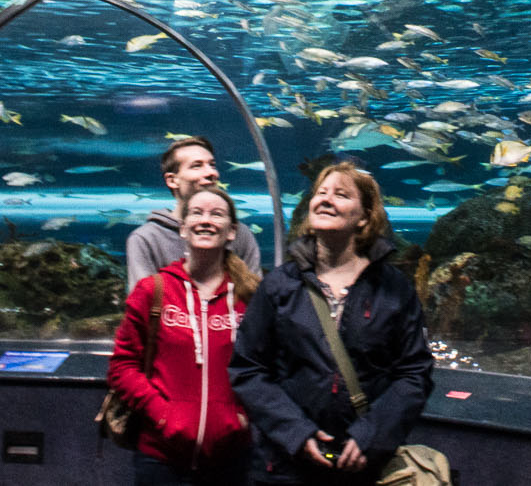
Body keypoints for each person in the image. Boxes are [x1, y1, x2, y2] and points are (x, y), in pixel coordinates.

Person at [230, 162, 434, 483]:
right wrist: (295, 432)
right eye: (320, 193)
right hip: (286, 464)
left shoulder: (393, 289)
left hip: (365, 465)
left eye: (341, 194)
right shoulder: (280, 285)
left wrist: (371, 434)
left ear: (364, 216)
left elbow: (414, 373)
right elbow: (249, 368)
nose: (326, 199)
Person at [107, 184, 260, 485]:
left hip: (231, 458)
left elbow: (267, 368)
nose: (206, 220)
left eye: (217, 214)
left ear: (231, 231)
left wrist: (241, 417)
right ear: (183, 228)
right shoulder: (153, 291)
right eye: (197, 213)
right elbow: (122, 366)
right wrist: (163, 414)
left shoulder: (251, 297)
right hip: (160, 457)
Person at [129, 135, 264, 289]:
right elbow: (141, 304)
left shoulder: (239, 233)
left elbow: (256, 299)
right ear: (172, 180)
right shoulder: (146, 239)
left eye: (212, 165)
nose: (211, 173)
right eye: (197, 166)